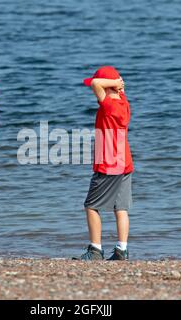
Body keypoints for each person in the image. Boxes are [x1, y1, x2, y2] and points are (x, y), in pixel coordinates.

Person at [75, 66, 134, 261]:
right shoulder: (124, 104)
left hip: (109, 163)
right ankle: (122, 249)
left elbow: (95, 84)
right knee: (121, 208)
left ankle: (95, 250)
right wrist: (119, 85)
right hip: (124, 162)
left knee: (91, 206)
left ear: (108, 88)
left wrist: (115, 83)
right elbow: (101, 85)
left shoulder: (108, 105)